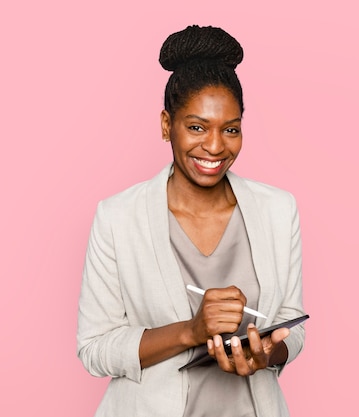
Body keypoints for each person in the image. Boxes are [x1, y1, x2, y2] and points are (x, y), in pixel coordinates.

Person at [77, 25, 305, 417]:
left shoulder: (278, 210)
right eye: (196, 127)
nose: (215, 146)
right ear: (167, 125)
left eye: (230, 129)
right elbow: (95, 349)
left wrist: (267, 353)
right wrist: (190, 332)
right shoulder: (118, 217)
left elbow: (292, 326)